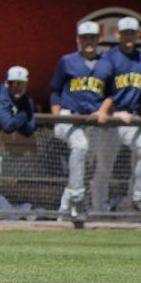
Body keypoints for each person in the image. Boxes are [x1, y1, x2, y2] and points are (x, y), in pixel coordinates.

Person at [90, 16, 141, 215]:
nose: (129, 36)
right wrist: (112, 111)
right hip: (110, 120)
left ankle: (137, 198)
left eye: (133, 32)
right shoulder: (109, 58)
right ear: (118, 34)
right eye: (126, 33)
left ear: (138, 35)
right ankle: (98, 211)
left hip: (130, 118)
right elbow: (99, 90)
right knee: (104, 168)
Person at [49, 21, 105, 220]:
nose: (89, 41)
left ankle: (64, 211)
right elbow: (55, 90)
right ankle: (77, 198)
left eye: (92, 37)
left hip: (93, 121)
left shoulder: (105, 63)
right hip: (69, 116)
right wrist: (57, 117)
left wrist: (104, 110)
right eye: (85, 37)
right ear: (78, 40)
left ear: (98, 39)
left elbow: (111, 94)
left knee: (82, 166)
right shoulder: (67, 61)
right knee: (80, 147)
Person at [0, 66, 35, 208]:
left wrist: (18, 118)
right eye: (14, 83)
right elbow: (7, 125)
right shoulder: (2, 95)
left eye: (22, 84)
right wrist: (23, 115)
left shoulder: (25, 100)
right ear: (7, 83)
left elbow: (29, 130)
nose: (18, 88)